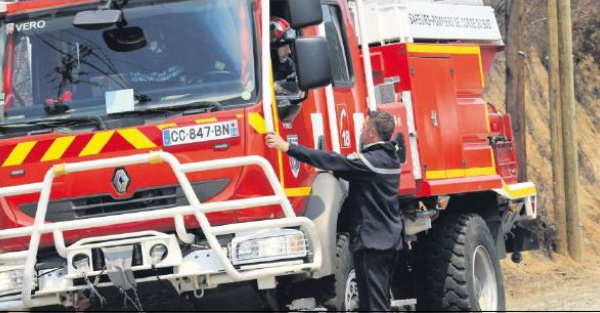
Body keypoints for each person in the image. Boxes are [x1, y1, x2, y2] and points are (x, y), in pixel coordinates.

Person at [266, 111, 403, 311]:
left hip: (373, 245)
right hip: (390, 242)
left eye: (364, 128)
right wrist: (339, 169)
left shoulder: (369, 161)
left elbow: (330, 158)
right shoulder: (391, 160)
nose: (361, 132)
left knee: (374, 306)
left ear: (373, 133)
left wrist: (287, 147)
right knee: (378, 302)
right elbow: (360, 175)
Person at [270, 17, 298, 94]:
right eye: (285, 46)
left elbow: (295, 87)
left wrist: (277, 87)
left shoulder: (289, 65)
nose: (289, 51)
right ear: (272, 49)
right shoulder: (253, 68)